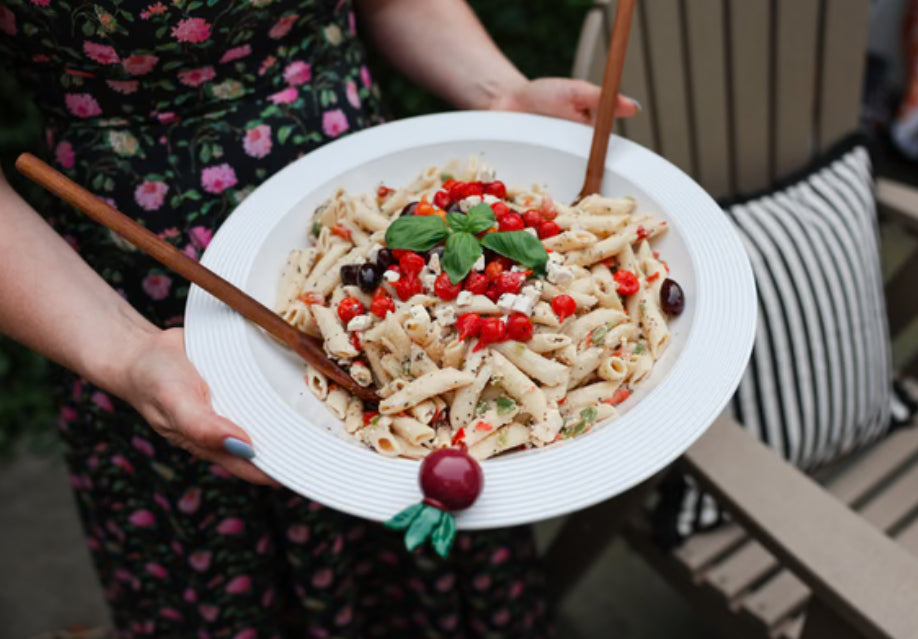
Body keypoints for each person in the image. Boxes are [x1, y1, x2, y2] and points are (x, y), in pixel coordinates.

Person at [0, 1, 638, 637]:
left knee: (433, 562)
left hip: (373, 204)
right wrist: (123, 349)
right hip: (133, 290)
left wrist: (497, 91)